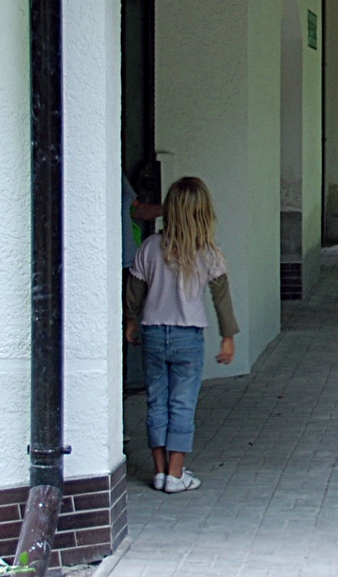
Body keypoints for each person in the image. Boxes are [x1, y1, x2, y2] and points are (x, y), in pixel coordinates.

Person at [123, 176, 239, 493]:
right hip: (188, 338)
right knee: (182, 404)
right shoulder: (209, 253)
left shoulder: (149, 247)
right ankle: (176, 474)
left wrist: (130, 321)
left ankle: (159, 471)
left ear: (169, 211)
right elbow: (222, 299)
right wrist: (227, 336)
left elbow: (134, 290)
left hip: (153, 334)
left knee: (156, 401)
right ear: (204, 213)